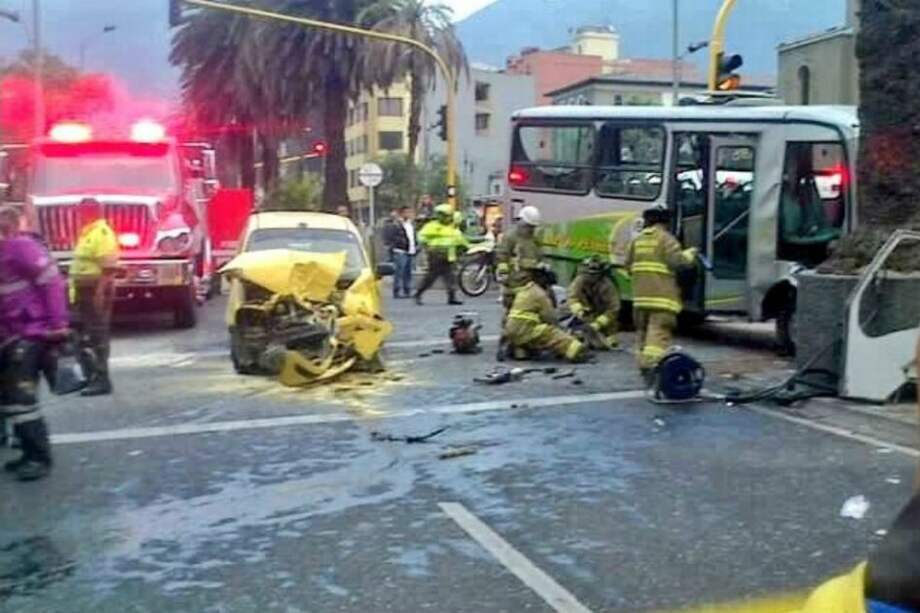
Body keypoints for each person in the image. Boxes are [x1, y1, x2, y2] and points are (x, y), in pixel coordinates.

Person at [0, 205, 68, 481]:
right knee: (10, 399)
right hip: (12, 336)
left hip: (28, 334)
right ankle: (29, 452)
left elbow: (52, 283)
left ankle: (39, 457)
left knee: (20, 398)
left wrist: (58, 324)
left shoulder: (20, 248)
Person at [626, 207, 697, 382]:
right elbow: (677, 262)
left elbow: (628, 265)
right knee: (658, 336)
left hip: (640, 299)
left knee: (643, 334)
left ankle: (642, 364)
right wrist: (690, 254)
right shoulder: (666, 239)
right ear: (665, 222)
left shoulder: (637, 241)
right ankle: (651, 367)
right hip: (662, 300)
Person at [70, 198, 119, 396]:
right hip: (83, 290)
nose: (78, 216)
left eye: (80, 212)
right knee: (80, 335)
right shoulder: (88, 232)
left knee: (98, 336)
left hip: (95, 290)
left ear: (89, 212)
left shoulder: (102, 233)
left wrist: (100, 292)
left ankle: (102, 379)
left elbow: (108, 269)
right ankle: (89, 376)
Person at [504, 263, 587, 363]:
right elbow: (550, 318)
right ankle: (577, 353)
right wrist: (562, 331)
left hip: (510, 329)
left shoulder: (524, 289)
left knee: (529, 334)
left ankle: (520, 351)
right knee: (551, 334)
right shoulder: (539, 294)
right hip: (525, 329)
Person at [496, 205, 543, 357]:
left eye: (532, 227)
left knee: (530, 315)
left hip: (529, 282)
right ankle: (510, 343)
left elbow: (539, 257)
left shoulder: (534, 239)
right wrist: (504, 273)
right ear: (521, 222)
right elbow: (502, 255)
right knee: (513, 315)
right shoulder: (510, 237)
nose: (530, 229)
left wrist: (542, 268)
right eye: (528, 226)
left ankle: (525, 343)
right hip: (514, 282)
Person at [415, 204, 468, 306]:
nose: (446, 218)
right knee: (431, 277)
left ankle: (452, 297)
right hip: (436, 255)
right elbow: (421, 237)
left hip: (449, 255)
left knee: (450, 277)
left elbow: (459, 239)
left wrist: (465, 246)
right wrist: (428, 247)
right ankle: (418, 293)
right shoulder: (432, 226)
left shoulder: (452, 227)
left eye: (447, 215)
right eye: (444, 215)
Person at [568, 256, 621, 350]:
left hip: (604, 318)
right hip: (586, 314)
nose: (590, 277)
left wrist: (598, 324)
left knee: (607, 345)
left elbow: (614, 308)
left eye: (594, 274)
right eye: (588, 273)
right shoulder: (579, 280)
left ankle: (605, 337)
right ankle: (579, 334)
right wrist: (579, 311)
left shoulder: (607, 285)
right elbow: (572, 297)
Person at [384, 206, 417, 299]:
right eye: (406, 212)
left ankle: (407, 291)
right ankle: (397, 291)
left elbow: (413, 237)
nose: (409, 214)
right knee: (399, 272)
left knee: (408, 272)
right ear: (401, 214)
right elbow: (390, 237)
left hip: (410, 251)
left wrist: (416, 247)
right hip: (400, 251)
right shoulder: (396, 225)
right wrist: (394, 246)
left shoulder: (411, 225)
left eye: (410, 212)